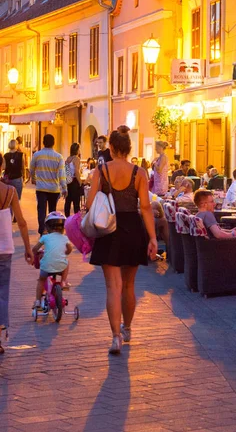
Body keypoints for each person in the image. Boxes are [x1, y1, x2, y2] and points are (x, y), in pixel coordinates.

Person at [87, 125, 157, 355]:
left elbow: (89, 205)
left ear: (112, 148)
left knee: (112, 286)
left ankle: (115, 337)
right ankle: (127, 328)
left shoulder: (101, 170)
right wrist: (153, 238)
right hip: (133, 229)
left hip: (109, 228)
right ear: (127, 149)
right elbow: (145, 207)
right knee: (129, 285)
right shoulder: (139, 173)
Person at [0, 180, 32, 353]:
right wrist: (28, 248)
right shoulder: (10, 191)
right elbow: (21, 222)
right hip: (5, 248)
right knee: (2, 292)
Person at [32, 211, 73, 309]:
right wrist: (65, 253)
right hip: (60, 267)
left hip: (46, 267)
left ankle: (37, 301)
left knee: (41, 280)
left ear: (47, 227)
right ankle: (63, 281)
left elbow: (34, 249)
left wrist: (35, 253)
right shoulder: (64, 238)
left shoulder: (45, 237)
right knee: (66, 262)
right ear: (63, 227)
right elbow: (69, 249)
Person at [30, 134, 67, 237]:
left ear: (43, 142)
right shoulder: (58, 157)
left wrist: (33, 178)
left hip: (41, 187)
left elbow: (31, 168)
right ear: (53, 143)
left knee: (41, 209)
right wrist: (64, 188)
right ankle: (51, 230)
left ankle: (42, 230)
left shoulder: (37, 155)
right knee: (52, 211)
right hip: (54, 189)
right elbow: (62, 174)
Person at [64, 143, 82, 217]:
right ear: (77, 150)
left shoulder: (68, 158)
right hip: (74, 181)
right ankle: (76, 219)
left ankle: (67, 218)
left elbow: (67, 171)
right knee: (76, 202)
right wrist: (80, 182)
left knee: (68, 201)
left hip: (68, 181)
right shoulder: (76, 159)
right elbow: (76, 171)